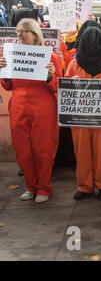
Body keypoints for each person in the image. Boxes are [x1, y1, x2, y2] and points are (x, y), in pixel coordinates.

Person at [0, 18, 62, 202]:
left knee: (43, 149)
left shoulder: (50, 56)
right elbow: (8, 86)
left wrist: (50, 76)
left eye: (24, 30)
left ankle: (43, 187)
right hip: (18, 105)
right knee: (22, 150)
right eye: (18, 30)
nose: (19, 33)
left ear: (35, 35)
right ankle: (30, 185)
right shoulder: (10, 55)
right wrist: (3, 72)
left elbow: (58, 86)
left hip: (43, 107)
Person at [65, 27, 101, 201]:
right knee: (82, 151)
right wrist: (70, 82)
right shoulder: (74, 64)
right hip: (81, 117)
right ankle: (85, 186)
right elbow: (65, 87)